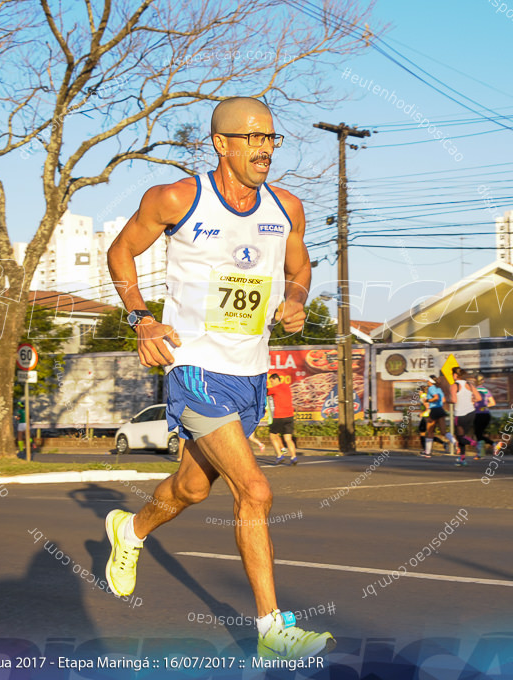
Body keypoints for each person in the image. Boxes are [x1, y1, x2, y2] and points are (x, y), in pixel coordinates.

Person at [102, 97, 332, 660]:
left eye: (270, 138)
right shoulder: (176, 199)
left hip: (251, 373)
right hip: (195, 368)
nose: (264, 148)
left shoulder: (287, 208)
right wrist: (141, 319)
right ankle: (273, 631)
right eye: (251, 137)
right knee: (254, 490)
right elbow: (121, 253)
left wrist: (297, 299)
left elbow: (300, 268)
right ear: (221, 144)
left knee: (191, 488)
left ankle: (129, 532)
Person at [266, 373, 298, 465]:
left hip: (279, 416)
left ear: (276, 379)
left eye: (272, 381)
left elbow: (265, 392)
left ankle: (280, 456)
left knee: (272, 436)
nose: (271, 383)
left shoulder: (275, 389)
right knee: (288, 438)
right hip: (289, 416)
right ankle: (293, 457)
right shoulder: (287, 387)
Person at [451, 367, 477, 466]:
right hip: (471, 413)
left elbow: (454, 400)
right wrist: (471, 401)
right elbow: (478, 397)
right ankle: (462, 459)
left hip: (460, 414)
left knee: (460, 437)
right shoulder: (469, 384)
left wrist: (447, 400)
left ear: (455, 375)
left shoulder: (454, 386)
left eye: (452, 374)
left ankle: (477, 445)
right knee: (462, 436)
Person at [472, 374, 497, 459]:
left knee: (478, 434)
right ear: (483, 381)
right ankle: (481, 453)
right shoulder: (486, 390)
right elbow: (493, 403)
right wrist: (484, 406)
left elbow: (472, 402)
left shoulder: (474, 391)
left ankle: (492, 445)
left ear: (475, 381)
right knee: (479, 434)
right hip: (486, 414)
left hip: (478, 415)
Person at [423, 375, 448, 458]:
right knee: (443, 432)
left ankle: (427, 453)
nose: (427, 382)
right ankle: (456, 443)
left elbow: (436, 398)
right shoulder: (439, 389)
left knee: (429, 431)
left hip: (434, 410)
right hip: (440, 409)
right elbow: (443, 400)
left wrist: (428, 400)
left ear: (430, 381)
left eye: (428, 380)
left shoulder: (431, 388)